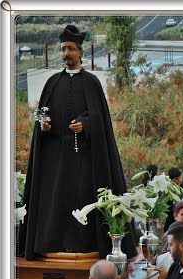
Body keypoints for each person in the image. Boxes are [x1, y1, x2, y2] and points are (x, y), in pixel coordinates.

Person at [18, 25, 137, 261]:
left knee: (84, 198)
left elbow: (100, 119)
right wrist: (44, 124)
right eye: (63, 49)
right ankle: (52, 244)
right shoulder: (52, 82)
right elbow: (40, 114)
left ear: (80, 52)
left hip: (85, 157)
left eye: (71, 49)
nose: (66, 53)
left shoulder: (92, 82)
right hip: (55, 158)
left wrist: (86, 123)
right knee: (55, 201)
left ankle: (84, 245)